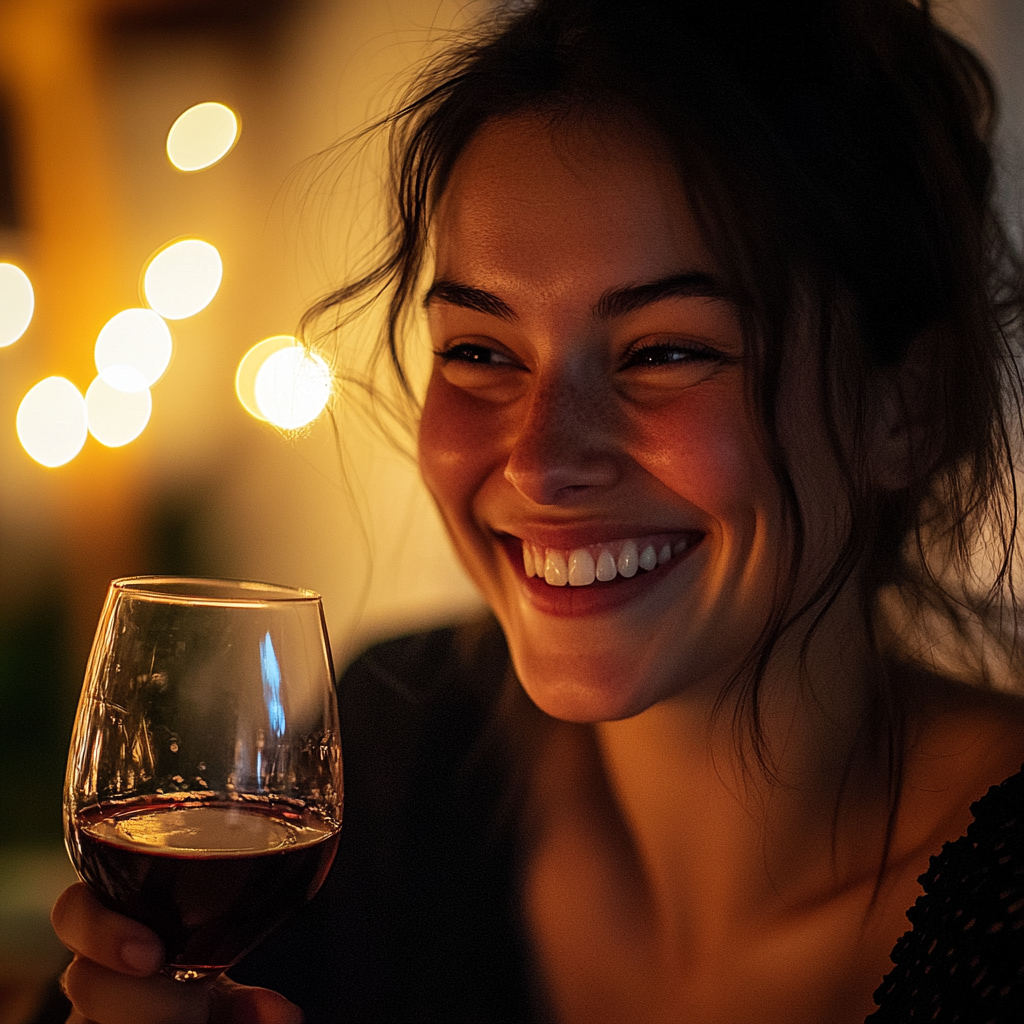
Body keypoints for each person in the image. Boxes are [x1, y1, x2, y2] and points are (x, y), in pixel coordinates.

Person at [42, 0, 1024, 1021]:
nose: (543, 460)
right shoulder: (389, 746)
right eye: (479, 351)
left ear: (903, 405)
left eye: (664, 351)